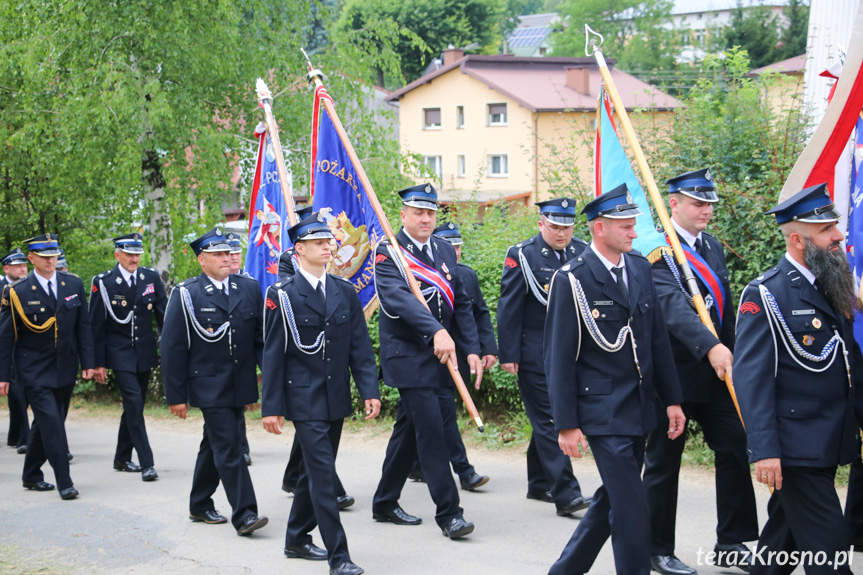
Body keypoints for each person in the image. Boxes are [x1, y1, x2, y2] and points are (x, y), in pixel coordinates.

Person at [544, 184, 686, 575]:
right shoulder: (571, 279)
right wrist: (567, 424)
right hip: (600, 410)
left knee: (613, 500)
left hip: (638, 407)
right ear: (600, 228)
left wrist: (672, 400)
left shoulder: (640, 266)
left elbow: (657, 340)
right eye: (625, 226)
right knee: (631, 507)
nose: (634, 233)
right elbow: (558, 359)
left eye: (633, 224)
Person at [735, 183, 863, 574]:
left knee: (780, 548)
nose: (839, 236)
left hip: (828, 436)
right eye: (826, 231)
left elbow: (849, 365)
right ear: (797, 240)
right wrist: (765, 450)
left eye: (834, 228)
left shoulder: (831, 286)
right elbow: (751, 381)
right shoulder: (766, 294)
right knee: (829, 553)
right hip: (795, 446)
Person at [643, 169, 758, 574]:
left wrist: (734, 356)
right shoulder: (655, 248)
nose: (706, 210)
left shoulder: (711, 247)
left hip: (716, 372)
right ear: (673, 203)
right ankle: (656, 548)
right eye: (697, 202)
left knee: (734, 444)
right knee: (663, 460)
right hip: (672, 373)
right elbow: (671, 306)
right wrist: (711, 346)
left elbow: (722, 310)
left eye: (709, 203)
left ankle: (731, 540)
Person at [262, 212, 381, 575]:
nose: (329, 246)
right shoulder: (281, 294)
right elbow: (272, 354)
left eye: (329, 241)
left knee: (313, 475)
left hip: (335, 397)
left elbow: (358, 347)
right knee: (324, 476)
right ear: (299, 249)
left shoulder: (344, 291)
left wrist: (368, 390)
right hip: (303, 398)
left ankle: (297, 537)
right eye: (318, 242)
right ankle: (339, 556)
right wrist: (272, 406)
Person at [371, 183, 482, 539]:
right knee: (432, 431)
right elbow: (397, 300)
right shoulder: (389, 251)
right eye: (418, 212)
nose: (425, 218)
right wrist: (436, 331)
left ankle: (384, 501)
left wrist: (472, 348)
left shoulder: (445, 250)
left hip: (443, 354)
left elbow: (461, 304)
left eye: (431, 212)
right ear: (403, 214)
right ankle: (450, 514)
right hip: (408, 356)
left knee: (409, 430)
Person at [161, 227, 268, 536]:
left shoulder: (247, 288)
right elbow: (172, 347)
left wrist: (267, 381)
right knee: (231, 445)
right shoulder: (187, 293)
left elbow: (258, 340)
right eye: (219, 254)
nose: (227, 257)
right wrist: (176, 395)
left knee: (215, 443)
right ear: (201, 259)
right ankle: (246, 514)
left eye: (229, 252)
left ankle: (199, 502)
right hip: (208, 385)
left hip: (239, 383)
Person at [498, 198, 591, 516]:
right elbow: (510, 306)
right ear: (540, 224)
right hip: (534, 351)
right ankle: (567, 494)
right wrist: (509, 352)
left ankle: (539, 482)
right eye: (554, 226)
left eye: (567, 226)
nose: (561, 232)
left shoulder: (583, 251)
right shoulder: (522, 254)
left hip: (572, 352)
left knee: (545, 419)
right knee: (552, 418)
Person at [0, 234, 96, 500]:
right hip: (32, 370)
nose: (51, 261)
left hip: (65, 366)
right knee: (52, 423)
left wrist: (89, 362)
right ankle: (64, 481)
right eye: (44, 257)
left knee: (46, 424)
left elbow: (83, 328)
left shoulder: (72, 283)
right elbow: (6, 337)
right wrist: (3, 375)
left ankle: (31, 474)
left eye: (53, 255)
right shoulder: (17, 292)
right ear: (32, 259)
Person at [406, 221, 494, 491]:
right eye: (449, 246)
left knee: (416, 422)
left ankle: (414, 466)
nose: (454, 252)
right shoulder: (414, 271)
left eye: (457, 246)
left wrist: (481, 349)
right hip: (422, 355)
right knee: (439, 415)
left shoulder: (465, 275)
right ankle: (463, 470)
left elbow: (477, 313)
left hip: (453, 355)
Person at [89, 233, 167, 482]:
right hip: (118, 353)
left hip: (144, 353)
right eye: (129, 254)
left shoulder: (150, 277)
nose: (134, 258)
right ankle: (147, 463)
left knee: (135, 406)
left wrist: (171, 349)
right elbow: (95, 327)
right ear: (117, 255)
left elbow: (163, 316)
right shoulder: (104, 282)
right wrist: (97, 363)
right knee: (133, 404)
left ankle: (121, 457)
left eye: (137, 254)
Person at [227, 231, 253, 467]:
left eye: (237, 252)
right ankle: (237, 449)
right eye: (229, 252)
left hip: (243, 357)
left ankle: (241, 448)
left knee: (239, 407)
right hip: (220, 359)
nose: (234, 256)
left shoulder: (248, 285)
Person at [1, 248, 31, 454]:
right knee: (16, 390)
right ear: (6, 268)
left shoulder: (28, 287)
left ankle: (17, 434)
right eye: (18, 266)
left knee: (19, 390)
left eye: (24, 265)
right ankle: (23, 436)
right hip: (5, 346)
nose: (22, 269)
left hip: (23, 346)